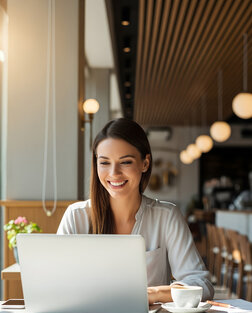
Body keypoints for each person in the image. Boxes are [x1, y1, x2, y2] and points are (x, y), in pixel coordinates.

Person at [57, 118, 214, 303]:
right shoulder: (76, 216)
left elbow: (201, 285)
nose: (114, 173)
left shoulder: (167, 217)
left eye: (125, 162)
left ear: (145, 163)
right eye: (105, 162)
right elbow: (56, 283)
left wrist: (153, 294)